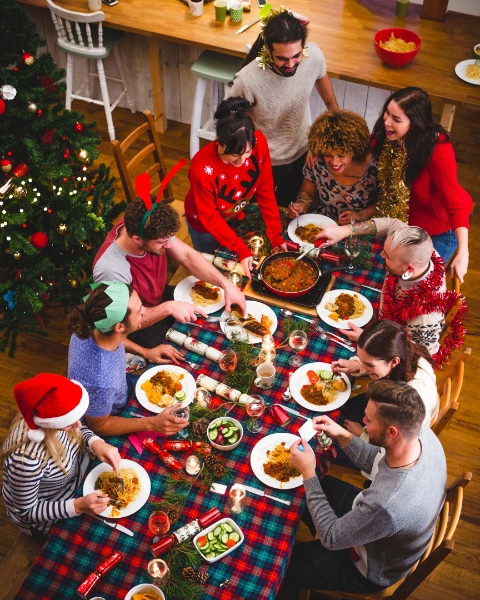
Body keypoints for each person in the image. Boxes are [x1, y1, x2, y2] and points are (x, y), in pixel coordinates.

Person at [285, 379, 446, 593]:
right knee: (310, 488)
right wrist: (344, 436)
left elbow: (331, 537)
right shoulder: (421, 434)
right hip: (379, 524)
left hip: (367, 567)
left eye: (368, 420)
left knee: (283, 565)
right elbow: (377, 461)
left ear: (391, 432)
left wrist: (309, 473)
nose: (362, 420)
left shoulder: (386, 505)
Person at [93, 193, 246, 356]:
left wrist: (226, 284)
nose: (169, 245)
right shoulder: (111, 270)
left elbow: (186, 256)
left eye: (170, 239)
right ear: (137, 239)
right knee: (191, 349)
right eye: (161, 243)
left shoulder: (145, 224)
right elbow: (117, 327)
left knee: (214, 320)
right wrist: (168, 309)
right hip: (137, 325)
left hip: (158, 297)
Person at [315, 217, 466, 365]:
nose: (381, 255)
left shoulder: (424, 317)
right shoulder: (413, 245)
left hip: (388, 346)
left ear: (409, 269)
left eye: (387, 256)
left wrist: (369, 338)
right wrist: (344, 230)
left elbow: (418, 357)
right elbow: (390, 224)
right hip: (383, 316)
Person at [229, 8, 338, 207]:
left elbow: (331, 104)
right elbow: (231, 122)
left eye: (296, 56)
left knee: (294, 212)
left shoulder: (313, 56)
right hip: (262, 161)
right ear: (268, 50)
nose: (290, 64)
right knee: (259, 217)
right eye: (281, 58)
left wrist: (324, 139)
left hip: (302, 154)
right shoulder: (247, 80)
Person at [371, 87, 472, 282]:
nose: (387, 122)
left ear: (415, 124)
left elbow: (456, 205)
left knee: (414, 282)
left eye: (396, 119)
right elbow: (365, 145)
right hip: (408, 224)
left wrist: (463, 253)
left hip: (440, 230)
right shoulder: (392, 137)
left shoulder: (437, 151)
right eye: (387, 113)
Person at [2, 373, 121, 537]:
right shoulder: (26, 461)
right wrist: (78, 506)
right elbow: (27, 512)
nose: (79, 424)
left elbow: (77, 429)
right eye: (69, 423)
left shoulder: (55, 417)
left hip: (77, 481)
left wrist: (94, 442)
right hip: (51, 509)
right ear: (51, 423)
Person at [66, 282, 188, 438]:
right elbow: (99, 426)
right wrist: (152, 423)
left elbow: (116, 339)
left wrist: (146, 352)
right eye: (139, 310)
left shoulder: (90, 325)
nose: (144, 311)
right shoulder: (101, 380)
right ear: (120, 327)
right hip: (115, 414)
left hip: (121, 386)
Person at [184, 97, 287, 278]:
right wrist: (240, 247)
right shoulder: (201, 168)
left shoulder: (259, 143)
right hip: (204, 225)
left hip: (234, 213)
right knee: (212, 273)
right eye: (233, 155)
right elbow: (209, 217)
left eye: (247, 153)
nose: (242, 162)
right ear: (219, 142)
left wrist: (275, 234)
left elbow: (265, 190)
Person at [332, 319, 438, 478]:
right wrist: (356, 365)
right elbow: (377, 362)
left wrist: (362, 435)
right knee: (338, 411)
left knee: (328, 447)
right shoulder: (404, 348)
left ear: (394, 361)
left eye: (369, 365)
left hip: (387, 449)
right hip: (385, 413)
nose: (364, 367)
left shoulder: (409, 403)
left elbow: (395, 453)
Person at [287, 110, 378, 224]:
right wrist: (301, 205)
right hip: (318, 223)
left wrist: (360, 215)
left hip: (356, 229)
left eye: (341, 155)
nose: (334, 162)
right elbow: (307, 193)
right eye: (328, 155)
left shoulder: (374, 168)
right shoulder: (316, 160)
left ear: (354, 150)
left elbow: (382, 204)